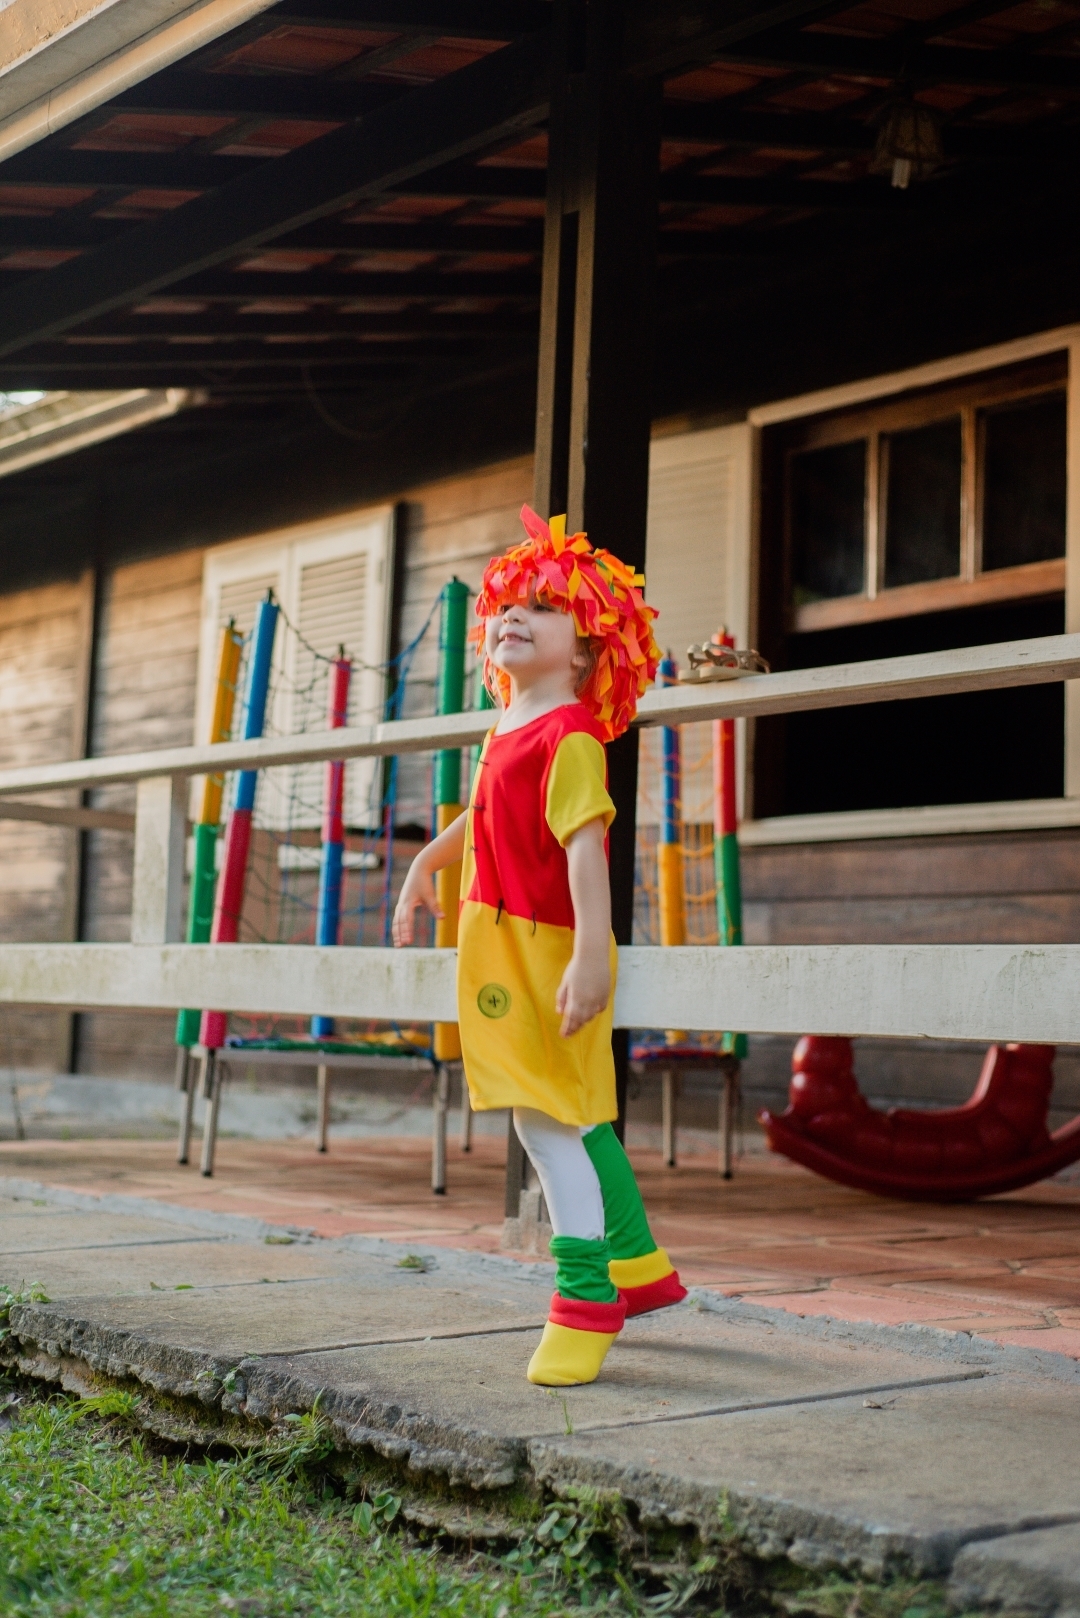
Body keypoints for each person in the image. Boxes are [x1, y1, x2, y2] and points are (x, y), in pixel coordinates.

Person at [393, 505, 686, 1386]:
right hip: (499, 939)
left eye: (547, 607)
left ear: (589, 651)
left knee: (543, 1118)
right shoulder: (505, 729)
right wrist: (425, 865)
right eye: (509, 604)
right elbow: (482, 816)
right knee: (572, 1111)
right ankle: (637, 1265)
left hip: (549, 946)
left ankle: (586, 1296)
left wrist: (593, 956)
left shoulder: (571, 737)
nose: (517, 615)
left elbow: (586, 850)